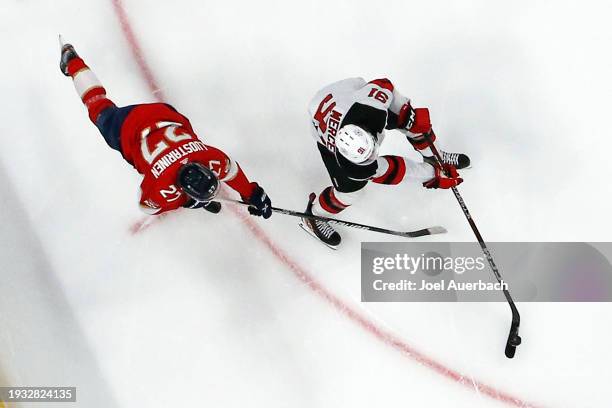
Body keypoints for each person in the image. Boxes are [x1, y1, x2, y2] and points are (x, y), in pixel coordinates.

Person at [59, 38, 271, 218]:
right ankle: (72, 63)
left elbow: (230, 170)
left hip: (161, 116)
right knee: (99, 110)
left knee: (100, 103)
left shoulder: (208, 159)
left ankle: (73, 62)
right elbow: (145, 206)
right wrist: (250, 193)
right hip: (139, 124)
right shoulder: (179, 176)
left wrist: (251, 194)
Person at [302, 77, 469, 248]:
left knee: (414, 124)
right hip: (321, 122)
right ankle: (314, 216)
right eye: (366, 160)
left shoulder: (371, 109)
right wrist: (431, 174)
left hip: (345, 94)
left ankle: (436, 155)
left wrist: (407, 114)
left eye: (371, 152)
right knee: (350, 192)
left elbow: (384, 84)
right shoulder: (352, 167)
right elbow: (392, 170)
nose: (372, 158)